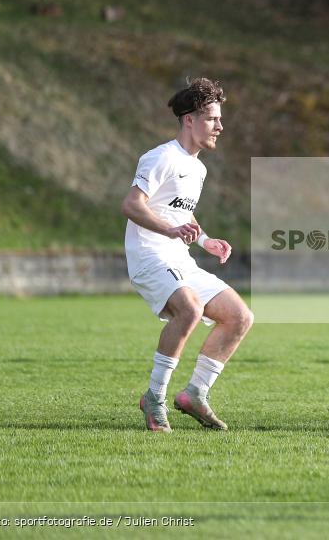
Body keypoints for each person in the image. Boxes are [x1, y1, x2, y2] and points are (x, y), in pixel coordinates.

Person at [122, 78, 254, 432]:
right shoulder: (160, 157)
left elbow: (180, 213)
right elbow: (132, 205)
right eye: (213, 118)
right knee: (191, 309)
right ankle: (154, 396)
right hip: (149, 256)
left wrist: (205, 239)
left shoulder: (198, 168)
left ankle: (194, 394)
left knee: (239, 316)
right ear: (190, 120)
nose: (220, 126)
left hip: (179, 257)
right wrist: (169, 231)